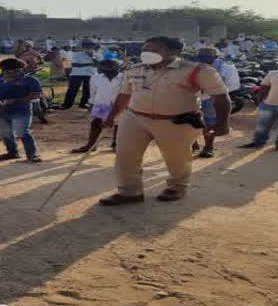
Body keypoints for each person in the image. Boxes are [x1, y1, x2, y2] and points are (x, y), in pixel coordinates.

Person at [99, 37, 231, 206]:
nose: (147, 53)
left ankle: (177, 186)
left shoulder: (198, 70)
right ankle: (129, 192)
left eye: (154, 49)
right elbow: (125, 94)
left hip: (176, 122)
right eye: (145, 49)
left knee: (177, 158)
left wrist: (222, 123)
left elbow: (220, 97)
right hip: (134, 118)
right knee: (125, 156)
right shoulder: (134, 70)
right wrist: (112, 117)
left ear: (173, 52)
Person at [0, 58, 42, 163]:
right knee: (5, 133)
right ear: (2, 70)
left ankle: (32, 155)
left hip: (21, 110)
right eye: (9, 71)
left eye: (16, 71)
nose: (13, 74)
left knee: (22, 132)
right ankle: (12, 152)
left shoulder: (29, 80)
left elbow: (36, 94)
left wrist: (16, 100)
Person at [192, 48, 240, 158]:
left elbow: (232, 83)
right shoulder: (191, 65)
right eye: (201, 58)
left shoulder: (227, 65)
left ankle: (208, 148)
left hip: (213, 98)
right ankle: (194, 145)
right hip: (192, 97)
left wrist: (219, 94)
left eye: (208, 58)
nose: (203, 61)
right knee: (190, 122)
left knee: (210, 123)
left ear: (216, 57)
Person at [72, 59, 124, 154]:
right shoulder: (95, 78)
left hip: (118, 104)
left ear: (117, 69)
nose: (108, 73)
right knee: (96, 124)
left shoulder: (124, 78)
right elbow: (92, 92)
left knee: (119, 125)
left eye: (111, 71)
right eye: (105, 71)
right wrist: (91, 103)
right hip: (100, 104)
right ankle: (91, 145)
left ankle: (116, 144)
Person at [60, 42, 97, 109]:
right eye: (87, 47)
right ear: (83, 48)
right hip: (76, 74)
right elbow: (72, 64)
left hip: (90, 74)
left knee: (87, 90)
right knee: (72, 90)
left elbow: (99, 64)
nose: (88, 49)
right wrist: (89, 64)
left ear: (93, 48)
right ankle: (66, 105)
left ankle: (83, 104)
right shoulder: (76, 54)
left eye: (90, 47)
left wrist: (92, 57)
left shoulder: (97, 55)